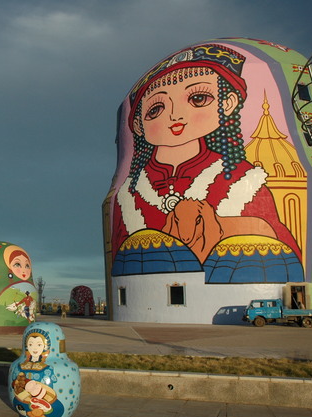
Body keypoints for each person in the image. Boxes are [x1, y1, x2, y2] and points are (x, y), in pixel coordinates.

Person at [113, 43, 301, 268]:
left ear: (229, 103)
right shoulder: (129, 195)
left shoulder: (244, 180)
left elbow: (283, 256)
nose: (175, 115)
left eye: (198, 99)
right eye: (156, 108)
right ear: (137, 125)